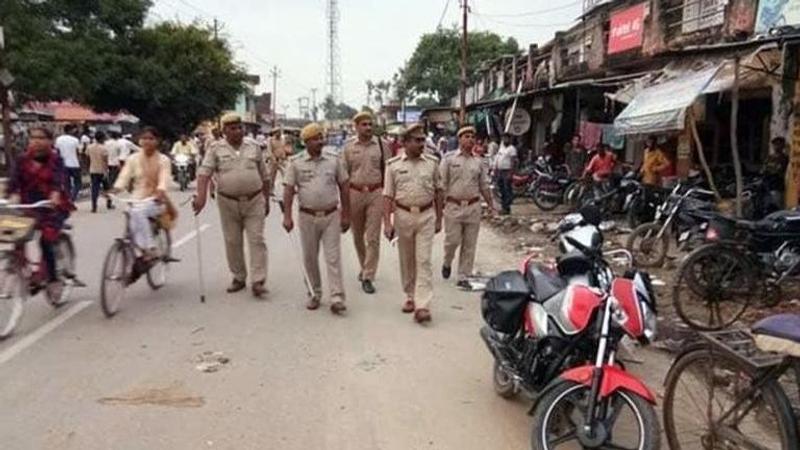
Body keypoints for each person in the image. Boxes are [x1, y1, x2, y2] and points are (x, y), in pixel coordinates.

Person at [193, 113, 270, 298]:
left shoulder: (254, 146)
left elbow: (265, 176)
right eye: (233, 128)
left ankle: (258, 280)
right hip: (227, 202)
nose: (238, 131)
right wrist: (201, 197)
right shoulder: (215, 148)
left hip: (254, 200)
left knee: (257, 240)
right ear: (224, 130)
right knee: (232, 241)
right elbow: (204, 173)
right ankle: (239, 276)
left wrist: (266, 198)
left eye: (240, 127)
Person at [282, 123, 351, 314]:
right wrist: (287, 216)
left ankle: (337, 297)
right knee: (310, 257)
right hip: (307, 216)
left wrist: (346, 214)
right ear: (306, 142)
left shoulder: (333, 160)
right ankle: (314, 293)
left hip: (331, 215)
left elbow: (344, 186)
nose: (320, 141)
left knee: (333, 257)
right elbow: (288, 190)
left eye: (321, 137)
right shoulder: (295, 162)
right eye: (315, 138)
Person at [383, 123, 443, 325]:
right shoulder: (393, 166)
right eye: (417, 140)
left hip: (426, 215)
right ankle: (410, 295)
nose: (421, 144)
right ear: (405, 142)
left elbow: (439, 191)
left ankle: (423, 304)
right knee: (407, 259)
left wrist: (439, 218)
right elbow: (387, 196)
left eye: (423, 140)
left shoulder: (432, 163)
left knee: (424, 260)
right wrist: (387, 223)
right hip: (403, 215)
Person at [8, 127, 75, 296]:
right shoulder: (22, 160)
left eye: (41, 138)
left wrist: (55, 194)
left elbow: (58, 181)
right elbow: (14, 182)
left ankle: (53, 279)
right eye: (33, 137)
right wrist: (13, 195)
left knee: (45, 241)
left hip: (51, 207)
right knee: (15, 234)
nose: (36, 141)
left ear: (50, 141)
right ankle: (20, 267)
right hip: (28, 205)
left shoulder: (56, 160)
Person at [341, 111, 391, 294]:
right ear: (356, 127)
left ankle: (368, 275)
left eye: (370, 124)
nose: (368, 128)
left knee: (373, 237)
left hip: (376, 193)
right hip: (354, 193)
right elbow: (343, 176)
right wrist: (343, 205)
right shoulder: (348, 147)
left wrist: (389, 197)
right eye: (364, 124)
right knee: (357, 236)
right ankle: (364, 266)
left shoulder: (382, 145)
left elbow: (389, 171)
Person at [110, 127, 175, 265]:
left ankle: (150, 248)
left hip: (157, 200)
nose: (147, 141)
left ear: (157, 141)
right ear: (139, 140)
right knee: (131, 213)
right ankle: (138, 253)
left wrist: (160, 191)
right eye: (144, 138)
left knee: (137, 212)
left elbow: (164, 178)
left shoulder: (163, 160)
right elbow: (124, 176)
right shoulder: (133, 159)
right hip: (137, 198)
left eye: (151, 138)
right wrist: (114, 190)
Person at [441, 126, 495, 289]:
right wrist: (439, 206)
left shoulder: (479, 161)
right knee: (453, 241)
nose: (470, 139)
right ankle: (447, 261)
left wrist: (492, 205)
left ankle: (464, 275)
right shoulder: (449, 159)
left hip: (473, 206)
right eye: (466, 136)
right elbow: (442, 184)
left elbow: (484, 185)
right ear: (459, 139)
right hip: (453, 206)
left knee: (470, 243)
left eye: (472, 136)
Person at [86, 131, 113, 213]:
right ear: (102, 138)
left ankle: (94, 206)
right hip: (102, 171)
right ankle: (109, 203)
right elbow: (105, 161)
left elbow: (87, 158)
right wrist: (106, 171)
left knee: (94, 189)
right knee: (107, 188)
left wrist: (88, 167)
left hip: (93, 170)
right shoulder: (104, 148)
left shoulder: (89, 147)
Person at [55, 125, 82, 201]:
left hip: (63, 164)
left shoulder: (58, 139)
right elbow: (78, 152)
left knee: (67, 184)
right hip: (74, 164)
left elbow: (57, 152)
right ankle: (72, 198)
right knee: (78, 183)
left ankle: (68, 198)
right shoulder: (75, 140)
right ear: (71, 130)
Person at [494, 133, 518, 215]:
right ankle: (503, 207)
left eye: (506, 138)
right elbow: (498, 159)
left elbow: (513, 161)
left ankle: (507, 208)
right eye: (504, 138)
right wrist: (496, 169)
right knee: (501, 190)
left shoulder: (512, 149)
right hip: (500, 171)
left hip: (507, 171)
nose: (505, 140)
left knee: (506, 189)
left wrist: (511, 173)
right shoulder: (501, 148)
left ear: (509, 139)